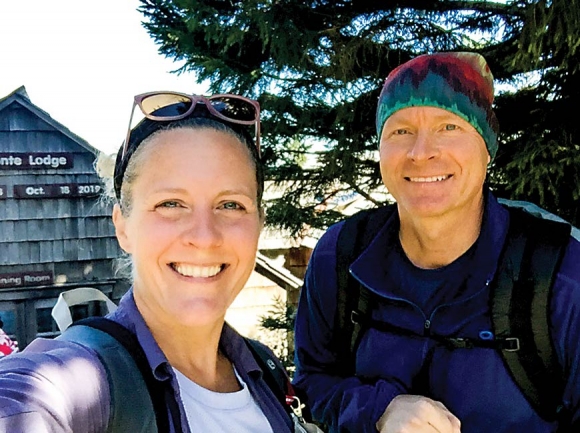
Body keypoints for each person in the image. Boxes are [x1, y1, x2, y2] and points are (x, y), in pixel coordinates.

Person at [292, 52, 580, 432]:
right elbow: (312, 384)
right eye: (401, 131)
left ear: (487, 146)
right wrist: (378, 410)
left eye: (449, 127)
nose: (421, 151)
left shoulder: (560, 274)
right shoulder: (341, 256)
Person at [0, 91, 294, 432]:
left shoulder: (263, 369)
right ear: (122, 227)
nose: (204, 236)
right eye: (171, 203)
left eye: (231, 205)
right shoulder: (89, 376)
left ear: (259, 223)